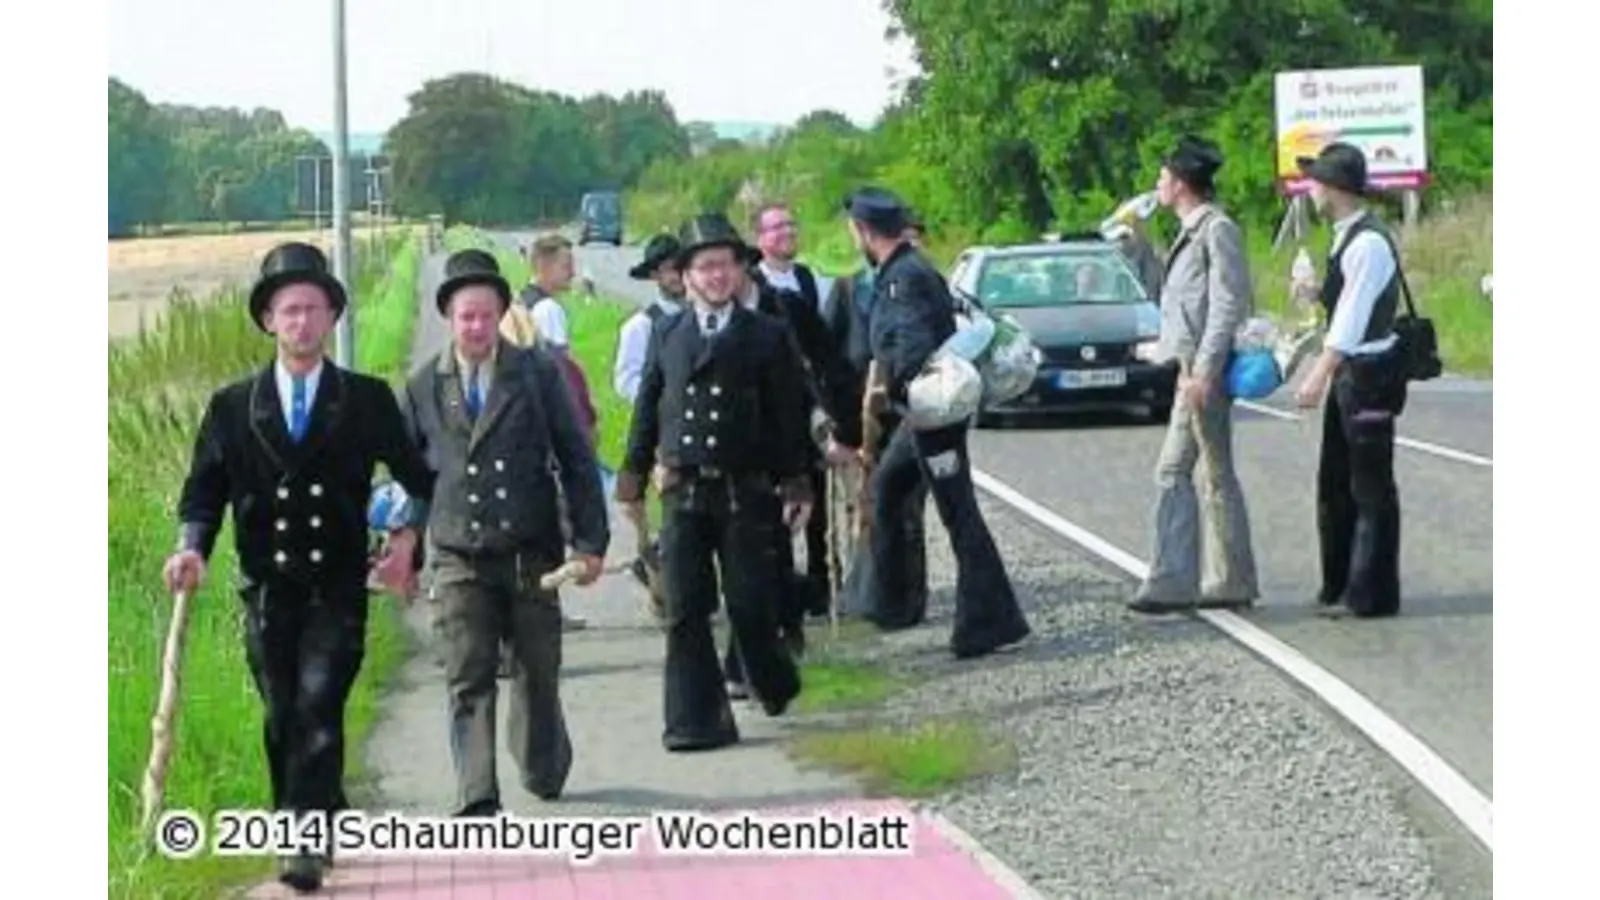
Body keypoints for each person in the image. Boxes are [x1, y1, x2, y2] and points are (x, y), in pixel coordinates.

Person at [162, 242, 436, 893]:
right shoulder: (232, 406)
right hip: (267, 590)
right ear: (268, 321)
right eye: (289, 311)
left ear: (332, 316)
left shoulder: (366, 399)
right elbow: (205, 488)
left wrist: (405, 537)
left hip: (338, 587)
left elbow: (418, 477)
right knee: (282, 712)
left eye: (313, 309)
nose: (302, 323)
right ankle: (323, 807)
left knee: (317, 702)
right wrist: (192, 545)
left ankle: (301, 843)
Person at [401, 249, 609, 815]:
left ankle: (542, 762)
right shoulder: (423, 386)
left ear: (500, 316)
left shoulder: (537, 372)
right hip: (459, 553)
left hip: (531, 553)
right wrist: (405, 549)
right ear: (449, 318)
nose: (475, 327)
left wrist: (591, 542)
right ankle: (477, 792)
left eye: (485, 316)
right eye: (465, 317)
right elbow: (411, 475)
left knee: (536, 673)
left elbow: (575, 456)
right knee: (467, 674)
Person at [615, 213, 809, 751]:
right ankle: (694, 721)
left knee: (749, 604)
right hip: (683, 490)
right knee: (685, 608)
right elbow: (648, 405)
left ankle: (772, 678)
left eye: (725, 265)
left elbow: (787, 416)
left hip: (744, 491)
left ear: (738, 270)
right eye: (705, 266)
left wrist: (795, 483)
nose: (717, 276)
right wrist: (632, 474)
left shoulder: (766, 335)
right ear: (687, 275)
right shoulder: (666, 331)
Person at [846, 187, 1031, 658]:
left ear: (863, 231)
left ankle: (990, 619)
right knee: (890, 489)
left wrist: (894, 389)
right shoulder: (907, 269)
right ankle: (892, 603)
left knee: (958, 513)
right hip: (926, 413)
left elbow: (911, 344)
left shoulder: (901, 279)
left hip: (932, 413)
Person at [1125, 136, 1261, 615]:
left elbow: (1227, 303)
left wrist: (1204, 370)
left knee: (1175, 471)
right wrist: (1136, 244)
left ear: (1181, 183)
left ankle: (1174, 580)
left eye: (1163, 177)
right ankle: (1230, 578)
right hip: (1189, 369)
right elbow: (1169, 296)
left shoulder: (1215, 229)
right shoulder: (1188, 232)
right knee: (1214, 474)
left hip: (1204, 373)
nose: (1157, 185)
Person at [1291, 143, 1409, 619]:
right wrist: (1316, 292)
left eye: (1315, 181)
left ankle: (1371, 594)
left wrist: (1318, 373)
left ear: (1336, 188)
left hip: (1367, 374)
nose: (1310, 188)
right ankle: (1341, 584)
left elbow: (1353, 320)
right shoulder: (1347, 235)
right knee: (1337, 482)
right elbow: (1345, 303)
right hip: (1355, 373)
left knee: (1369, 485)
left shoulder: (1366, 243)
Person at [748, 201, 857, 622]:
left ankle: (819, 581)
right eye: (777, 228)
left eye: (791, 225)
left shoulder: (809, 279)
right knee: (779, 502)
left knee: (816, 497)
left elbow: (825, 344)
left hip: (811, 401)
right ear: (760, 238)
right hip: (775, 405)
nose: (787, 233)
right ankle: (779, 584)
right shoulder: (754, 284)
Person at [824, 216, 930, 622]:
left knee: (906, 510)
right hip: (856, 421)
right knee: (862, 509)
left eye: (915, 241)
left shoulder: (924, 289)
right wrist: (836, 426)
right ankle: (863, 595)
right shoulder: (850, 289)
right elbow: (827, 361)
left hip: (907, 417)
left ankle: (906, 599)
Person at [614, 234, 687, 596]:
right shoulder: (642, 326)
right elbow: (626, 380)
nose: (678, 276)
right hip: (661, 430)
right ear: (657, 276)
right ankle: (661, 572)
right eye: (672, 270)